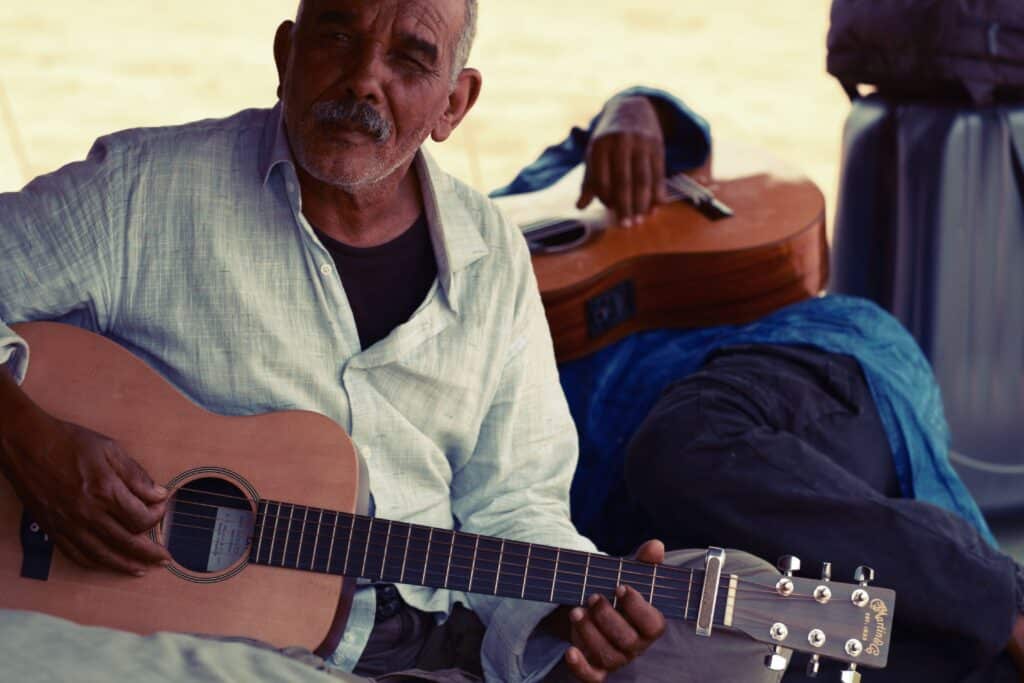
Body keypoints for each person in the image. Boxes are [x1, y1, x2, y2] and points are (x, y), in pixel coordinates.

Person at [0, 2, 788, 682]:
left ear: (454, 103)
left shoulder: (491, 256)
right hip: (214, 648)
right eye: (337, 37)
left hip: (438, 642)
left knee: (729, 628)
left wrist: (573, 609)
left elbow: (513, 500)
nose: (363, 80)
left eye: (409, 59)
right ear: (286, 54)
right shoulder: (143, 190)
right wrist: (28, 438)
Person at [491, 88, 1024, 681]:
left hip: (779, 366)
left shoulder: (503, 208)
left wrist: (632, 112)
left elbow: (660, 140)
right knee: (805, 651)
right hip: (655, 524)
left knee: (683, 444)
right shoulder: (452, 296)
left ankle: (1007, 602)